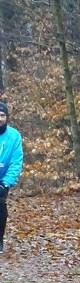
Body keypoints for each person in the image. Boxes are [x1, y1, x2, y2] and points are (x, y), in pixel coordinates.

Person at [0, 101, 24, 254]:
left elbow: (16, 161)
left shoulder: (14, 136)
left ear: (7, 117)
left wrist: (6, 183)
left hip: (2, 179)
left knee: (0, 205)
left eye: (2, 115)